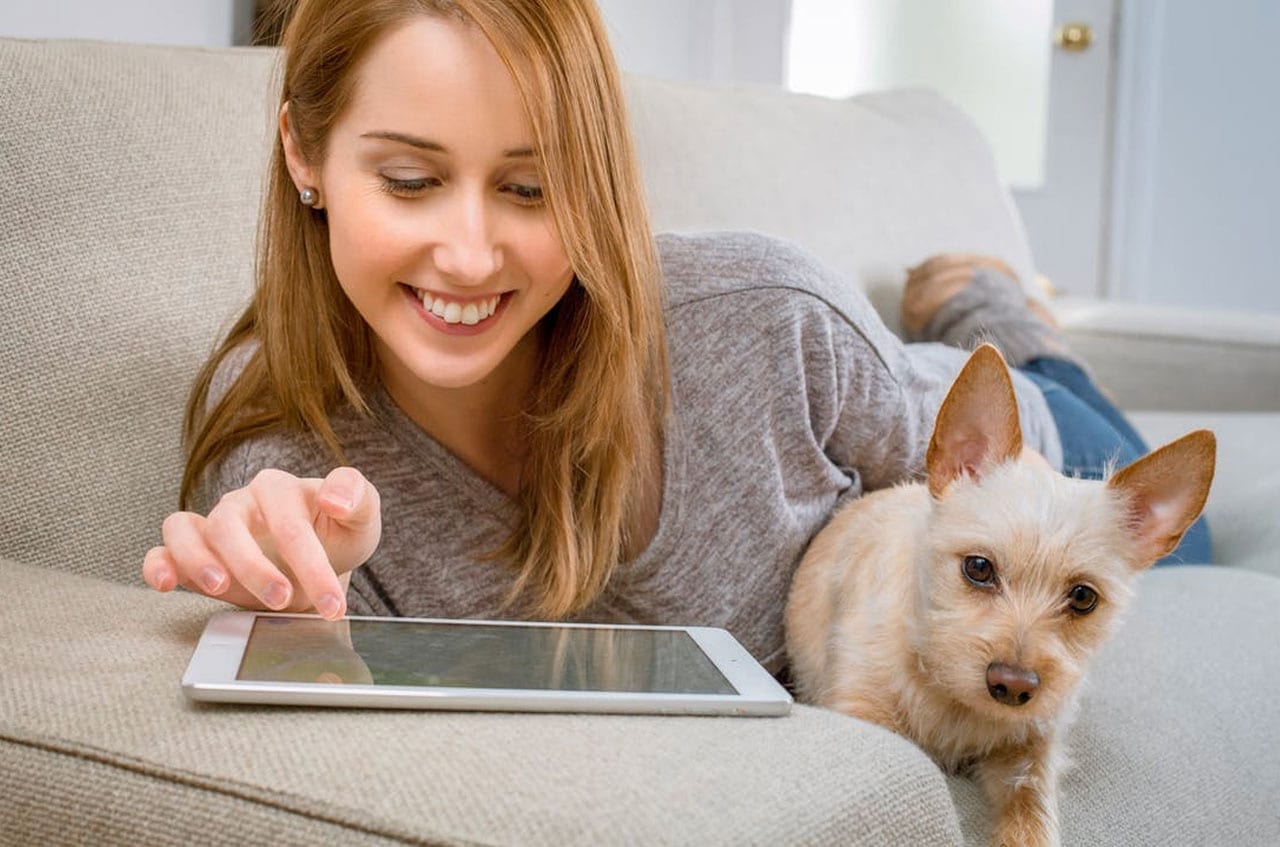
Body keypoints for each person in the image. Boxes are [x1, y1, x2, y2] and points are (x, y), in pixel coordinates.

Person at [140, 0, 1208, 675]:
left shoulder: (765, 316)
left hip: (1012, 442)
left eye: (529, 186)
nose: (467, 254)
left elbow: (987, 476)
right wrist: (298, 620)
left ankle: (993, 308)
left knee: (1145, 494)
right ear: (304, 156)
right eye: (410, 181)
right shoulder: (283, 476)